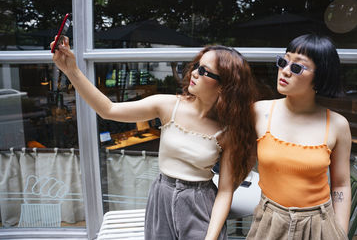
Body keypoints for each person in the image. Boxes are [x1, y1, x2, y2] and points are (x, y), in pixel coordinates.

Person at [50, 37, 258, 240]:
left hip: (200, 202)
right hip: (162, 196)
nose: (194, 73)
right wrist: (71, 70)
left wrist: (211, 237)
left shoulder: (228, 131)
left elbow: (225, 191)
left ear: (224, 86)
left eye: (204, 71)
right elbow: (108, 109)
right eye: (196, 66)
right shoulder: (168, 105)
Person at [247, 34, 352, 240]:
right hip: (270, 221)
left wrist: (340, 234)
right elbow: (239, 164)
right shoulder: (259, 112)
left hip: (319, 224)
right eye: (283, 61)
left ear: (320, 77)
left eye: (297, 67)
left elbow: (341, 184)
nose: (285, 71)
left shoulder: (338, 125)